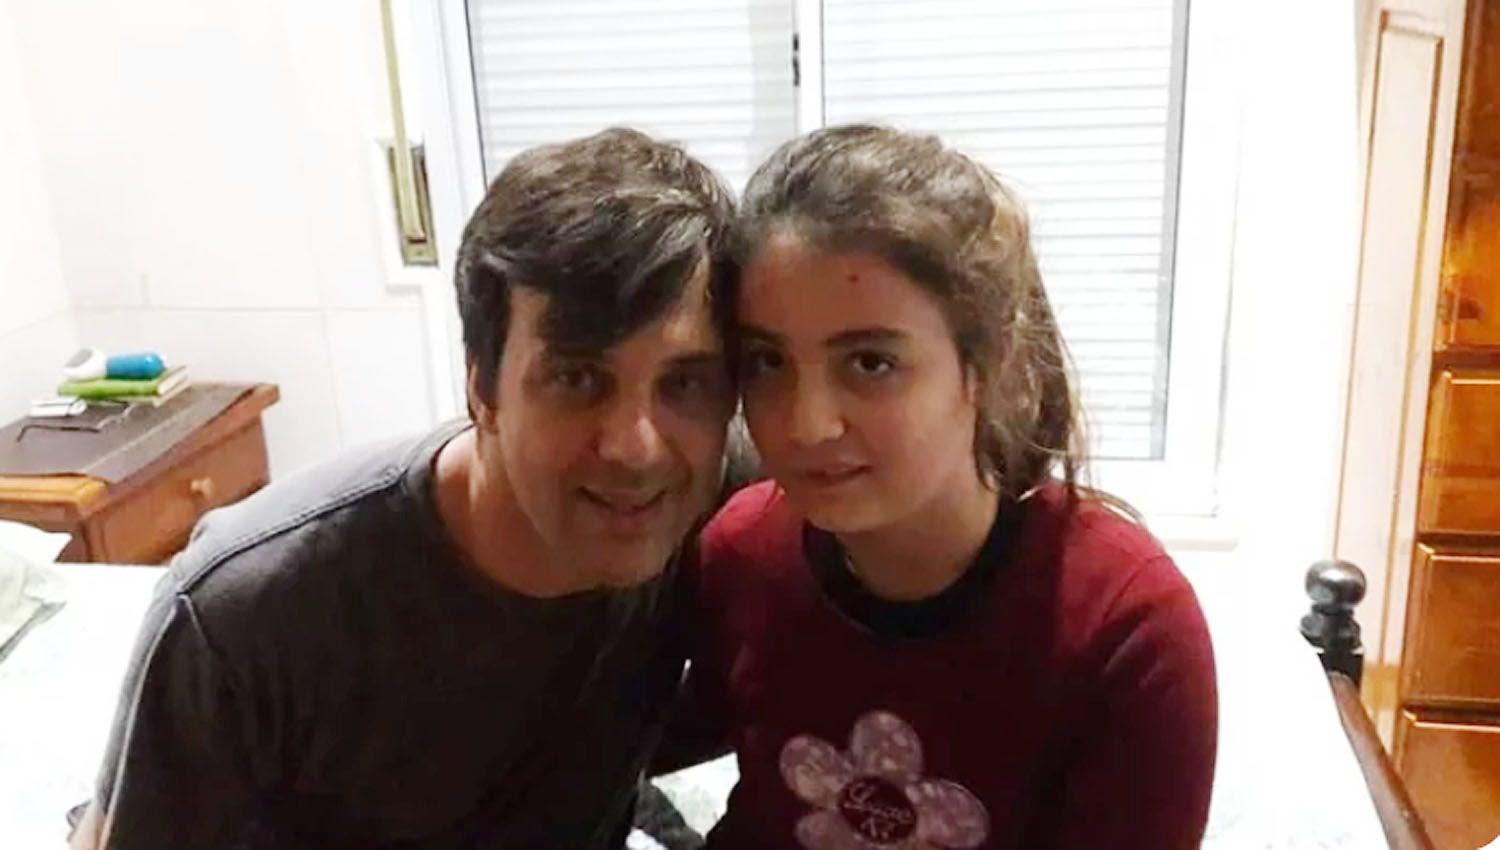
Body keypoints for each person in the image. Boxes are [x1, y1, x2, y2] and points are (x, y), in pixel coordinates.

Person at [69, 128, 737, 849]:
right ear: (482, 388)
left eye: (685, 382)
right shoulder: (249, 614)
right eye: (577, 379)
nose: (637, 449)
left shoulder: (718, 496)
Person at [672, 125, 1218, 848]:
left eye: (870, 363)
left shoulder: (1126, 629)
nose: (807, 425)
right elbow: (650, 737)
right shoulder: (740, 554)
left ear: (986, 364)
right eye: (768, 363)